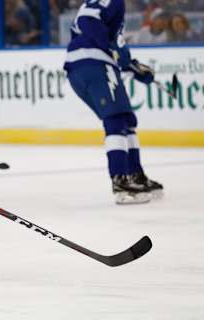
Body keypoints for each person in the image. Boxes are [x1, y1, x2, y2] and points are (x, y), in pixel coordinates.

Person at [64, 0, 163, 205]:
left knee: (126, 118)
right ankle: (120, 180)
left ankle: (134, 174)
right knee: (116, 119)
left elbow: (116, 47)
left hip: (92, 65)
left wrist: (133, 67)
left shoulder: (119, 7)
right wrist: (110, 48)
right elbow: (87, 19)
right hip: (93, 63)